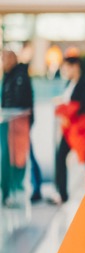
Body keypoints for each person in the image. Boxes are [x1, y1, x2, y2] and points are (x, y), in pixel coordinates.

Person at [53, 55, 85, 204]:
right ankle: (62, 193)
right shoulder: (69, 84)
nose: (65, 71)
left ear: (76, 67)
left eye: (68, 67)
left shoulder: (84, 84)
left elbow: (84, 106)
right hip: (69, 131)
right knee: (61, 157)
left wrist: (65, 109)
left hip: (82, 131)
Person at [1, 50, 42, 204]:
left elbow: (24, 101)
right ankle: (12, 190)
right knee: (14, 157)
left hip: (19, 125)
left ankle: (34, 187)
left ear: (12, 59)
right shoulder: (7, 76)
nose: (3, 62)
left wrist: (29, 121)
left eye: (4, 58)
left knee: (25, 156)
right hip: (9, 125)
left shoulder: (20, 76)